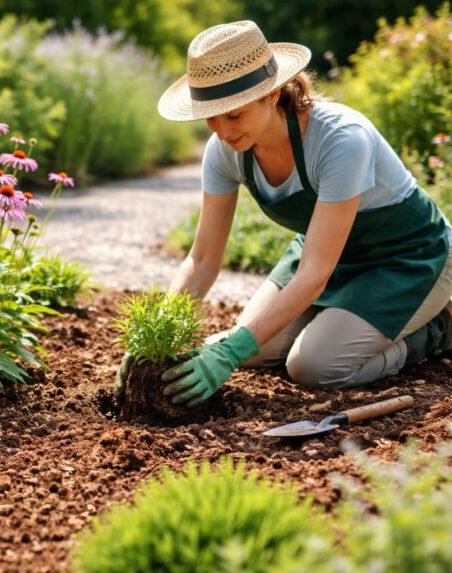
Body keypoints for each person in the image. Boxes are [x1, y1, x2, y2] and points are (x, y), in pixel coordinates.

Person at [116, 20, 452, 408]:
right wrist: (158, 333)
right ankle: (342, 324)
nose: (221, 132)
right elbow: (203, 258)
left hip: (408, 258)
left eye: (234, 115)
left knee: (314, 366)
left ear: (272, 94)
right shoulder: (225, 150)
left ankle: (437, 330)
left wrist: (228, 352)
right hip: (323, 254)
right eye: (210, 117)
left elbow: (314, 274)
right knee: (255, 350)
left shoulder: (341, 140)